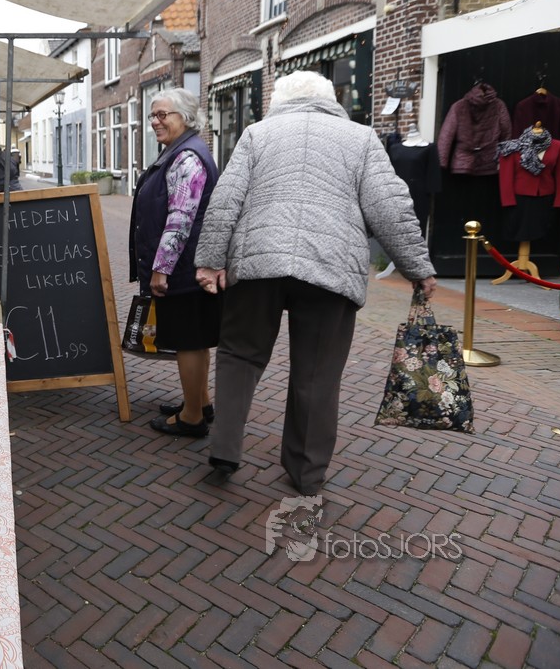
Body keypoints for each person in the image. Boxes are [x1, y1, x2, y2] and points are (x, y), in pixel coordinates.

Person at [194, 71, 436, 495]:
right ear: (331, 99)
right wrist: (417, 266)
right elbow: (389, 206)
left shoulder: (257, 134)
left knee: (239, 354)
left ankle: (225, 450)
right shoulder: (360, 138)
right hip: (331, 266)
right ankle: (306, 473)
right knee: (317, 372)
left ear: (279, 100)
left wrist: (210, 261)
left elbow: (226, 199)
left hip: (258, 260)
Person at [127, 88, 220, 438]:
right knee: (195, 339)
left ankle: (192, 418)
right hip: (190, 265)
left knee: (187, 341)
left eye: (163, 114)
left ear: (186, 117)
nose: (155, 121)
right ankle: (200, 402)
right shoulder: (180, 152)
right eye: (153, 115)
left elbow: (181, 218)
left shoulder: (186, 158)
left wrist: (161, 268)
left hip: (183, 268)